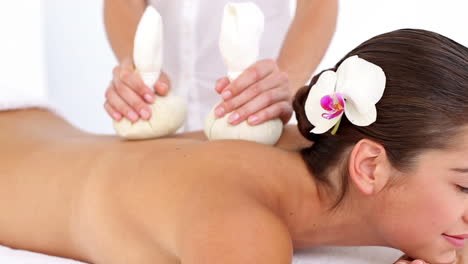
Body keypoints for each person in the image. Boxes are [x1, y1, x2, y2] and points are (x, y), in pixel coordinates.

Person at [0, 29, 467, 264]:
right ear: (369, 166)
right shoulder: (242, 227)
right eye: (464, 186)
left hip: (30, 129)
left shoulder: (302, 145)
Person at [103, 0, 338, 131]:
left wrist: (284, 83)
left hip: (260, 109)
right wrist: (139, 71)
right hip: (157, 107)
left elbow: (318, 4)